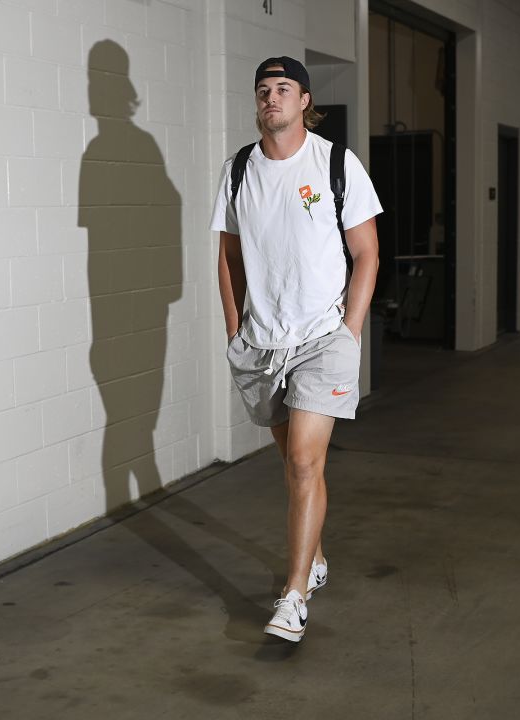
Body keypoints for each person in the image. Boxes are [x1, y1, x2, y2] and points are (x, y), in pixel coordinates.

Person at [210, 56, 383, 643]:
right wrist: (235, 327)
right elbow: (229, 257)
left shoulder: (336, 162)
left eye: (284, 89)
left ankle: (293, 596)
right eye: (263, 90)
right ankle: (316, 553)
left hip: (320, 339)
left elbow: (367, 254)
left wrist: (349, 332)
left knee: (307, 462)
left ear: (305, 100)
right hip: (262, 342)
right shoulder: (238, 170)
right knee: (293, 466)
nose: (271, 98)